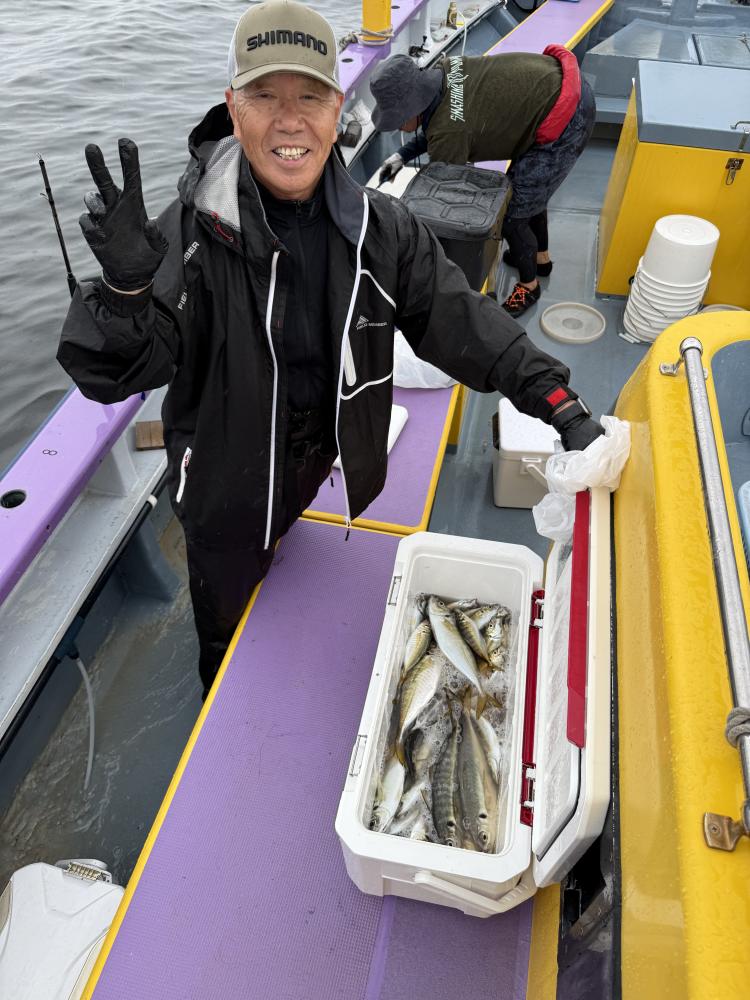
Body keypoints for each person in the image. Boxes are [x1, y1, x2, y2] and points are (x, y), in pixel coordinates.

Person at [57, 0, 603, 698]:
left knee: (287, 576)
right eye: (265, 96)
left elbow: (460, 319)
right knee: (226, 638)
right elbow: (116, 373)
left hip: (314, 467)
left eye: (310, 97)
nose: (290, 121)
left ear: (338, 109)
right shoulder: (187, 236)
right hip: (224, 498)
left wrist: (558, 402)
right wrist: (125, 292)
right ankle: (220, 690)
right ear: (233, 109)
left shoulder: (384, 229)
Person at [370, 48, 596, 317]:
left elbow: (446, 190)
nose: (397, 127)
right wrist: (401, 156)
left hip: (566, 116)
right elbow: (440, 126)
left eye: (397, 120)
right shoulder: (445, 70)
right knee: (532, 191)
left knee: (512, 214)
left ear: (412, 108)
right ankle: (540, 259)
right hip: (559, 84)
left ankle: (529, 285)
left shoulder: (449, 132)